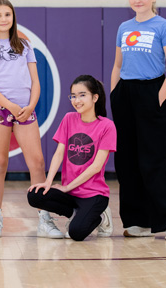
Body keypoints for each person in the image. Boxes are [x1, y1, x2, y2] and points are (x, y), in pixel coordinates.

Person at [0, 0, 63, 239]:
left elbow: (35, 81)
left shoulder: (25, 45)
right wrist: (10, 106)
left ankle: (44, 218)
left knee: (37, 162)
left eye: (8, 14)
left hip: (25, 110)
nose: (4, 19)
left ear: (13, 18)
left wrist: (30, 104)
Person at [110, 0, 166, 240]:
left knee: (156, 160)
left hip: (153, 91)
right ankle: (136, 222)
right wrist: (115, 93)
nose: (138, 0)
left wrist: (159, 98)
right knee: (127, 161)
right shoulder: (123, 27)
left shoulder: (164, 26)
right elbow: (118, 65)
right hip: (125, 94)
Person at [27, 75, 116, 241]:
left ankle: (100, 217)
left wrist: (67, 187)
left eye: (82, 95)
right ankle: (75, 213)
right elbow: (59, 153)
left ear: (95, 97)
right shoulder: (69, 118)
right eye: (73, 96)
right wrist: (48, 182)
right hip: (72, 193)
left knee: (76, 233)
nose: (77, 100)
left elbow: (96, 166)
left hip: (94, 195)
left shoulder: (107, 126)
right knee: (35, 195)